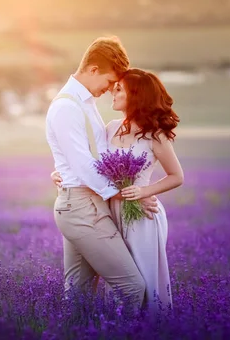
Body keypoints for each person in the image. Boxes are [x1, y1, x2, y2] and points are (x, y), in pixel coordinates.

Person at [51, 68, 184, 313]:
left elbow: (177, 176)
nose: (113, 90)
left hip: (141, 216)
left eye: (119, 88)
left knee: (144, 280)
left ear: (136, 96)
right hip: (110, 210)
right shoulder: (110, 128)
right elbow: (86, 159)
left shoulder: (155, 136)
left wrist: (144, 192)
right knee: (120, 282)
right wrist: (60, 174)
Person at [45, 37, 158, 310]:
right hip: (82, 208)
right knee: (132, 288)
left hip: (87, 203)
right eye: (109, 82)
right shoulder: (67, 107)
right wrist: (131, 195)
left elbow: (92, 156)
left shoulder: (85, 104)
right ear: (93, 70)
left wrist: (62, 171)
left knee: (79, 296)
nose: (110, 90)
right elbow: (84, 166)